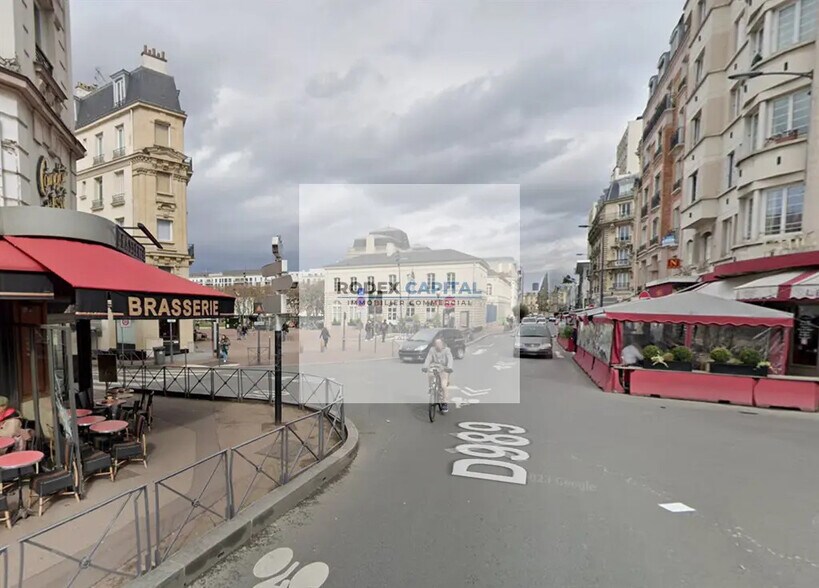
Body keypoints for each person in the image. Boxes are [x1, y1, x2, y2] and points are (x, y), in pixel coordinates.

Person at [422, 337, 453, 413]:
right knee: (430, 374)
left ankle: (444, 403)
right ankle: (431, 388)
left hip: (444, 368)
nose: (437, 345)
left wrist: (449, 367)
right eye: (436, 344)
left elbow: (450, 359)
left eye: (439, 343)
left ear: (442, 344)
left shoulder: (447, 350)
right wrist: (425, 367)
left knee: (443, 386)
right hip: (435, 366)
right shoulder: (432, 350)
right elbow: (428, 358)